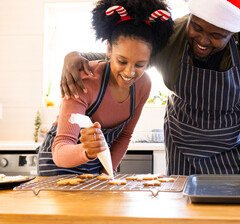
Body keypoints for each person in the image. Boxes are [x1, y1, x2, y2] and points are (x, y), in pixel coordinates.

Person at [60, 0, 240, 176]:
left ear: (233, 32)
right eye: (197, 27)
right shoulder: (172, 36)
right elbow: (128, 58)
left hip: (233, 150)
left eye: (216, 35)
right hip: (183, 147)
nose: (202, 40)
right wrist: (77, 57)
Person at [37, 0, 174, 176]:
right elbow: (61, 149)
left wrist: (107, 173)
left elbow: (124, 137)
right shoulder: (85, 79)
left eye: (140, 64)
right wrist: (87, 151)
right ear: (109, 49)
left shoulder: (143, 85)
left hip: (96, 163)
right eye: (122, 61)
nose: (129, 72)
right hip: (58, 166)